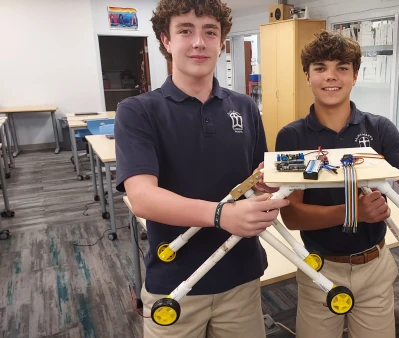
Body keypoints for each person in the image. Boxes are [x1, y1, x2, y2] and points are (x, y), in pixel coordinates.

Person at [114, 0, 289, 337]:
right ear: (166, 41)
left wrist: (265, 188)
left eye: (210, 31)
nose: (199, 42)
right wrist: (222, 214)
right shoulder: (137, 111)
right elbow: (143, 199)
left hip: (241, 277)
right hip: (175, 281)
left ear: (221, 42)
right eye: (185, 31)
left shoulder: (245, 107)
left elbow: (257, 180)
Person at [275, 30, 399, 338]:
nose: (331, 77)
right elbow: (291, 215)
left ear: (355, 75)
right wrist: (355, 212)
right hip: (319, 267)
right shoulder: (293, 137)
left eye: (342, 67)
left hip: (375, 267)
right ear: (307, 76)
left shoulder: (379, 128)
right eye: (320, 68)